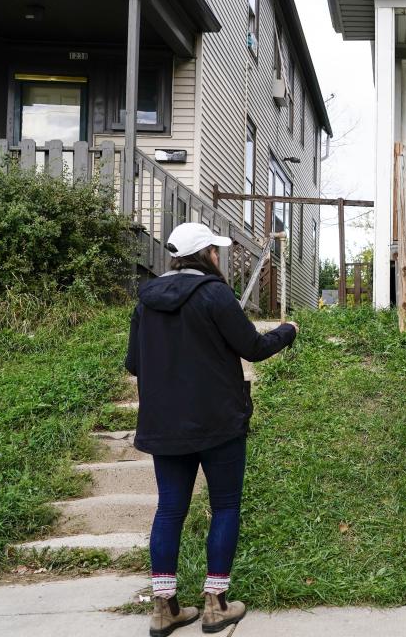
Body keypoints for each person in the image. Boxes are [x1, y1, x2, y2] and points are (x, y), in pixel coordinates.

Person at [125, 223, 298, 636]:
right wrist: (287, 332)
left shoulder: (146, 301)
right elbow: (253, 347)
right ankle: (216, 604)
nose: (219, 258)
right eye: (216, 252)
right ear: (205, 255)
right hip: (218, 421)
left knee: (169, 510)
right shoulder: (214, 294)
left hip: (164, 424)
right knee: (224, 507)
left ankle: (165, 608)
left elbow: (134, 363)